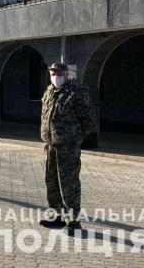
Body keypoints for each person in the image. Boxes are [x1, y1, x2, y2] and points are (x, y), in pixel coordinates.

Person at [39, 62, 96, 234]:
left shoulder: (76, 91)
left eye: (58, 73)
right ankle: (57, 216)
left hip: (68, 146)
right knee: (52, 182)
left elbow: (89, 118)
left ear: (66, 74)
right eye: (52, 73)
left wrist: (76, 137)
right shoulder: (50, 90)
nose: (55, 76)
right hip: (50, 145)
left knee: (69, 184)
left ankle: (74, 222)